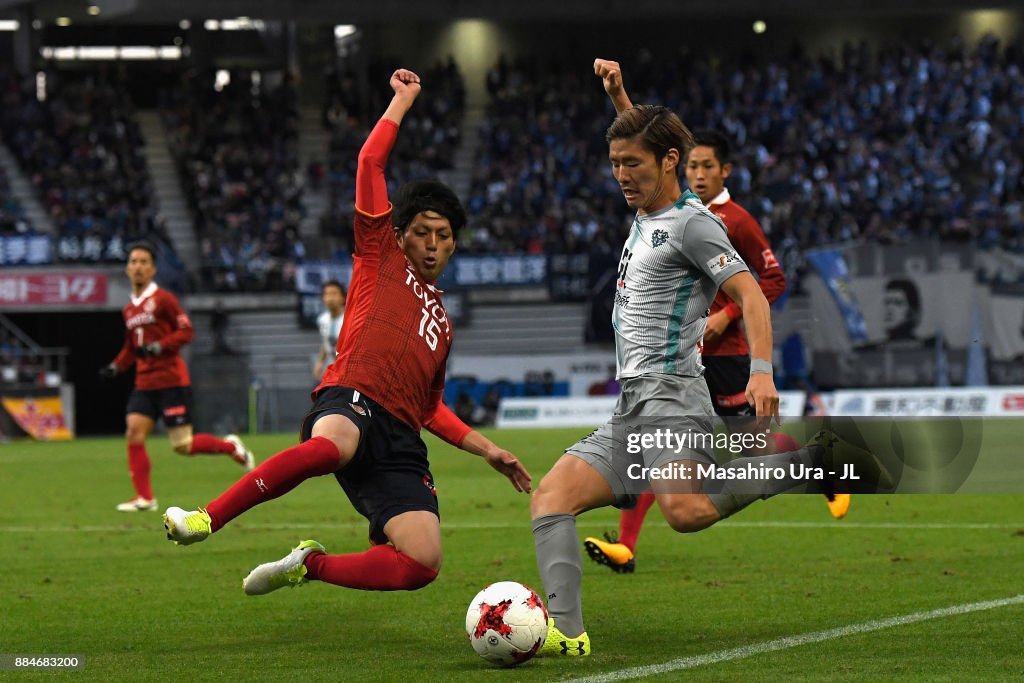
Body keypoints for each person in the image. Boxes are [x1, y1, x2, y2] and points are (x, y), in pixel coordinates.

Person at [530, 59, 892, 657]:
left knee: (686, 512)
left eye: (632, 165)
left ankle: (815, 463)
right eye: (615, 164)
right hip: (631, 406)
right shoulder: (647, 208)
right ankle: (567, 636)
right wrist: (620, 96)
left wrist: (762, 371)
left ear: (668, 165)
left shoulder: (694, 226)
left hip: (674, 395)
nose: (621, 175)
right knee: (550, 499)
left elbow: (751, 294)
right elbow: (649, 142)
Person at [163, 69, 531, 599]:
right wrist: (402, 101)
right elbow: (369, 162)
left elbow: (429, 410)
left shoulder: (444, 324)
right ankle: (206, 518)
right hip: (351, 399)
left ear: (454, 247)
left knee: (422, 561)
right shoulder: (380, 252)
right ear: (401, 233)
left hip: (400, 441)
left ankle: (309, 566)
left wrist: (487, 449)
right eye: (422, 232)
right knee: (332, 445)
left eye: (443, 236)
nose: (431, 244)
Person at [583, 128, 849, 573]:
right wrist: (617, 94)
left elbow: (771, 281)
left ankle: (816, 463)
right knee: (658, 445)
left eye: (708, 166)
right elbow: (639, 137)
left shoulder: (735, 220)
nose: (699, 174)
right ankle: (626, 546)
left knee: (751, 445)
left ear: (725, 171)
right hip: (676, 360)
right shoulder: (669, 212)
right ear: (675, 166)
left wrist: (725, 315)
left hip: (723, 355)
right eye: (693, 166)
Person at [100, 242, 255, 512]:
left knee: (182, 444)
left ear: (152, 269)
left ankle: (230, 447)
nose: (137, 266)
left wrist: (161, 346)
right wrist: (116, 366)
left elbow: (186, 331)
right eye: (133, 262)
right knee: (134, 434)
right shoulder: (129, 309)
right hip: (144, 383)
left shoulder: (164, 299)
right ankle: (145, 498)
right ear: (127, 268)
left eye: (143, 262)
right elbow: (131, 346)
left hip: (171, 380)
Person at [313, 280, 346, 379]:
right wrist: (319, 362)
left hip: (349, 372)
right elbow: (325, 342)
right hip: (333, 372)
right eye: (327, 294)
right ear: (323, 299)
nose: (330, 298)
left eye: (334, 294)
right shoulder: (322, 320)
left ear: (343, 298)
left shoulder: (350, 320)